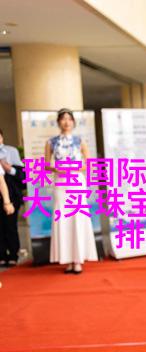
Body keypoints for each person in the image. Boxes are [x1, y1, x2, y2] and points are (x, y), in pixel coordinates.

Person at [45, 108, 98, 274]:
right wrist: (57, 169)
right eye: (63, 119)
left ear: (73, 122)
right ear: (58, 122)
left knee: (77, 218)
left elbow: (89, 163)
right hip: (61, 183)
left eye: (69, 119)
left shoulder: (80, 141)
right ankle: (67, 259)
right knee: (63, 219)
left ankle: (78, 259)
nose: (66, 122)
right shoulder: (51, 142)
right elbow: (46, 165)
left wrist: (74, 168)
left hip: (76, 182)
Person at [0, 128, 23, 267]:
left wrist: (9, 169)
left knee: (10, 225)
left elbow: (22, 175)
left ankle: (13, 254)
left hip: (11, 193)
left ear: (2, 137)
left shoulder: (11, 151)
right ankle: (1, 255)